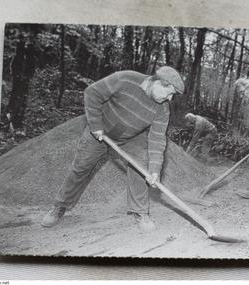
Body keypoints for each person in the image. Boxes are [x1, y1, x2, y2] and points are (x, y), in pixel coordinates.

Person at [41, 66, 184, 232]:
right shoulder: (124, 79)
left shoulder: (162, 109)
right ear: (159, 82)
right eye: (169, 93)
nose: (170, 99)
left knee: (142, 167)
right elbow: (92, 93)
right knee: (81, 168)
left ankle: (141, 212)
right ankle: (60, 206)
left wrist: (154, 170)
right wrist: (96, 124)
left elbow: (157, 139)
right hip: (100, 131)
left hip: (131, 137)